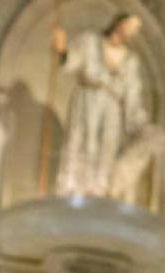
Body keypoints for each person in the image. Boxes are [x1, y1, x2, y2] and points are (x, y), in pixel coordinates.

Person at [51, 13, 149, 198]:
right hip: (86, 100)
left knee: (105, 150)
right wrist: (62, 51)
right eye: (130, 25)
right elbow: (70, 61)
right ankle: (71, 191)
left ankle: (97, 194)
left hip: (111, 109)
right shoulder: (89, 41)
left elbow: (133, 95)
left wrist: (140, 125)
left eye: (134, 29)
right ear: (119, 23)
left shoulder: (130, 60)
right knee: (79, 143)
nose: (131, 31)